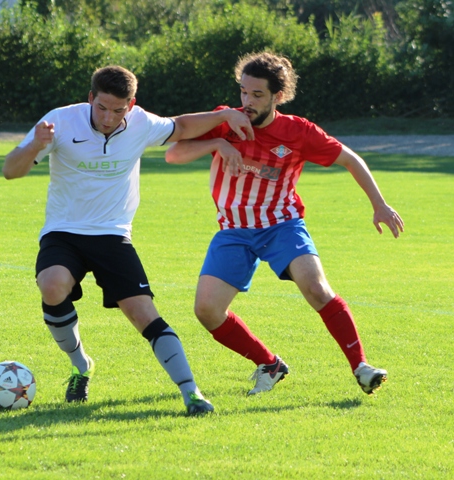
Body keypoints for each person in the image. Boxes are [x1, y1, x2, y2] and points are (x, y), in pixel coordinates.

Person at [2, 65, 254, 415]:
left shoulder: (140, 123)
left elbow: (181, 127)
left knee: (143, 314)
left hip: (113, 235)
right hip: (64, 231)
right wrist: (35, 145)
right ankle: (81, 365)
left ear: (131, 105)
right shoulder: (59, 121)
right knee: (52, 285)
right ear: (91, 98)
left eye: (118, 110)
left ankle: (192, 394)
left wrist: (224, 115)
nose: (108, 118)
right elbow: (10, 170)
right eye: (102, 107)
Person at [165, 51, 404, 396]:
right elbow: (173, 154)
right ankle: (270, 364)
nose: (247, 101)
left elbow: (350, 159)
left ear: (277, 96)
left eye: (257, 94)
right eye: (243, 91)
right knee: (207, 310)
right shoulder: (225, 121)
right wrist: (217, 141)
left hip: (282, 225)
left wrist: (379, 205)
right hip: (233, 229)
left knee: (316, 288)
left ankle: (361, 367)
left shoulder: (298, 131)